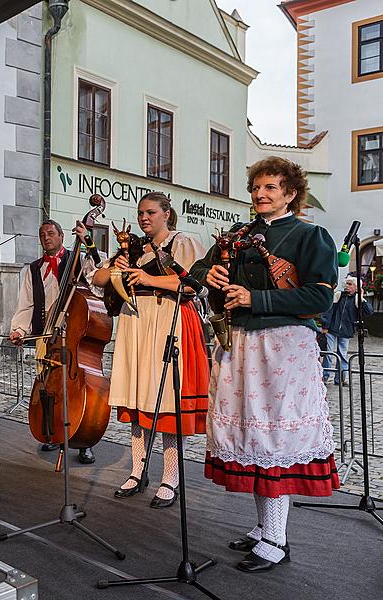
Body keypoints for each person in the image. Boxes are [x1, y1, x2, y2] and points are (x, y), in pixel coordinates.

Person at [191, 156, 339, 572]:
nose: (260, 194)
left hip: (283, 349)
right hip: (240, 344)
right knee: (253, 438)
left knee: (273, 439)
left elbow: (319, 298)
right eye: (257, 187)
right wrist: (213, 276)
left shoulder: (311, 236)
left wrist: (258, 299)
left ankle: (277, 538)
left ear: (290, 193)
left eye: (271, 188)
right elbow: (201, 271)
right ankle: (262, 528)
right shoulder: (239, 235)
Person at [91, 192, 209, 509]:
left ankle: (170, 478)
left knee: (166, 404)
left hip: (167, 321)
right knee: (136, 398)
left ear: (167, 214)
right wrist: (116, 267)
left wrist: (148, 278)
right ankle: (138, 470)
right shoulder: (133, 250)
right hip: (135, 324)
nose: (145, 218)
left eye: (151, 213)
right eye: (141, 213)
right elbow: (99, 278)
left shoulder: (182, 242)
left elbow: (194, 286)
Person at [9, 219, 102, 463]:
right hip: (46, 336)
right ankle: (54, 434)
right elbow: (26, 302)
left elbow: (97, 275)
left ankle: (83, 440)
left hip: (75, 337)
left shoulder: (78, 259)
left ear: (62, 236)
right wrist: (19, 329)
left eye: (51, 233)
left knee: (79, 390)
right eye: (42, 234)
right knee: (48, 389)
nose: (46, 237)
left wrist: (88, 243)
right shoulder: (33, 268)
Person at [320, 275, 372, 386]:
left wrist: (361, 297)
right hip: (331, 329)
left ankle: (340, 379)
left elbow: (369, 311)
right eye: (346, 283)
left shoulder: (357, 299)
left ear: (356, 287)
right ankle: (324, 377)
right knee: (328, 354)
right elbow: (328, 311)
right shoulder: (339, 295)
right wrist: (325, 326)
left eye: (350, 284)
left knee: (342, 355)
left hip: (346, 331)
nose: (346, 286)